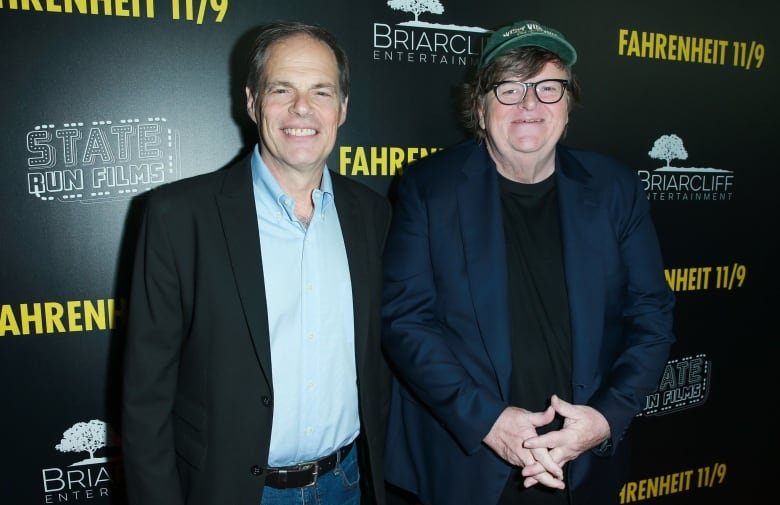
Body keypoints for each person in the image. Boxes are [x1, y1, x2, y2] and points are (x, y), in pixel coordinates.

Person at [381, 20, 675, 505]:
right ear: (479, 107)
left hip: (581, 463)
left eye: (549, 87)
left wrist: (604, 418)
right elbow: (405, 321)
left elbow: (652, 315)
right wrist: (488, 422)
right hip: (469, 465)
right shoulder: (428, 188)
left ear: (568, 105)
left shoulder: (614, 189)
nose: (530, 104)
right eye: (511, 87)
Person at [121, 21, 391, 505]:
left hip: (347, 484)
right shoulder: (177, 216)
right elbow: (146, 402)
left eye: (321, 91)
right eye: (281, 88)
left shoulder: (372, 214)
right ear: (251, 102)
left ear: (343, 108)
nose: (302, 108)